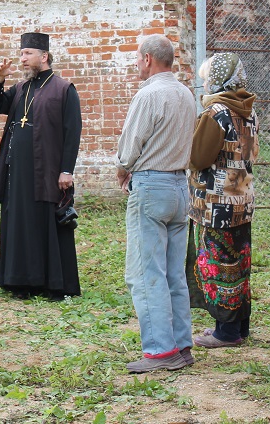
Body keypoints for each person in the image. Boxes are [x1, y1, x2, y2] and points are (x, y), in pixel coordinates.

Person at [114, 34, 196, 373]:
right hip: (180, 186)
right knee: (174, 273)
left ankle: (161, 350)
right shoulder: (186, 94)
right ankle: (182, 344)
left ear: (148, 59)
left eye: (138, 57)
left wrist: (123, 170)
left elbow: (130, 146)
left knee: (145, 272)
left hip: (151, 185)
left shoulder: (148, 94)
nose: (136, 63)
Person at [0, 32, 82, 300]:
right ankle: (21, 282)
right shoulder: (20, 88)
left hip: (47, 172)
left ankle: (52, 284)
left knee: (45, 224)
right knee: (20, 224)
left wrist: (66, 170)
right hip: (17, 173)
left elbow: (72, 132)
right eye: (21, 54)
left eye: (28, 54)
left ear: (44, 56)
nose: (23, 59)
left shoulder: (63, 89)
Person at [186, 53, 259, 348]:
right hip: (242, 200)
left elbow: (198, 158)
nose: (204, 84)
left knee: (218, 265)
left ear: (218, 80)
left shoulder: (216, 113)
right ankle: (239, 326)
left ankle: (226, 333)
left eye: (206, 79)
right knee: (239, 264)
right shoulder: (248, 111)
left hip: (216, 205)